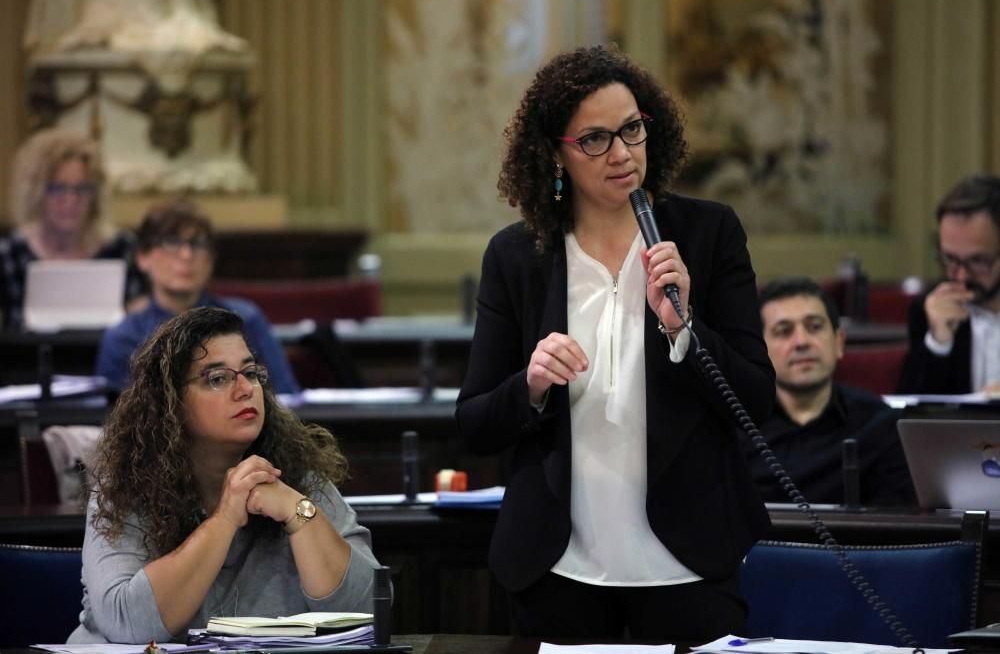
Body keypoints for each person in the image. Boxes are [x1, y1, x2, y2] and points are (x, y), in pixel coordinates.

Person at [455, 45, 775, 640]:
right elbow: (474, 422)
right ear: (555, 153)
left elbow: (755, 398)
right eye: (595, 139)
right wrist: (529, 385)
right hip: (556, 567)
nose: (623, 154)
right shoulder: (516, 256)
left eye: (632, 129)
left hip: (688, 563)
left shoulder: (709, 233)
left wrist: (685, 330)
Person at [70, 306, 379, 643]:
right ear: (171, 403)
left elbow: (369, 609)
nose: (245, 388)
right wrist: (225, 519)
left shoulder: (295, 474)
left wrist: (298, 511)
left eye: (250, 372)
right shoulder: (123, 488)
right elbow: (128, 624)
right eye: (218, 379)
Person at [95, 199, 300, 394]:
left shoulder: (245, 319)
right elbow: (112, 421)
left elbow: (286, 399)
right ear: (143, 257)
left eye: (198, 243)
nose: (186, 255)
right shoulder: (124, 337)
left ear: (211, 259)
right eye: (172, 242)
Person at [745, 277, 914, 505]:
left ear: (839, 341)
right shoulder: (734, 426)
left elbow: (899, 526)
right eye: (784, 331)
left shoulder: (881, 424)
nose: (801, 342)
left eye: (814, 327)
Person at [0, 128, 146, 329]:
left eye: (81, 189)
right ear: (35, 193)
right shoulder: (10, 252)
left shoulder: (121, 247)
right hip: (28, 359)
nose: (70, 200)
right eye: (58, 189)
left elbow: (139, 326)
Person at [898, 175, 1000, 395]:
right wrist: (938, 342)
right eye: (950, 259)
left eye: (978, 261)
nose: (961, 276)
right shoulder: (927, 310)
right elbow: (908, 416)